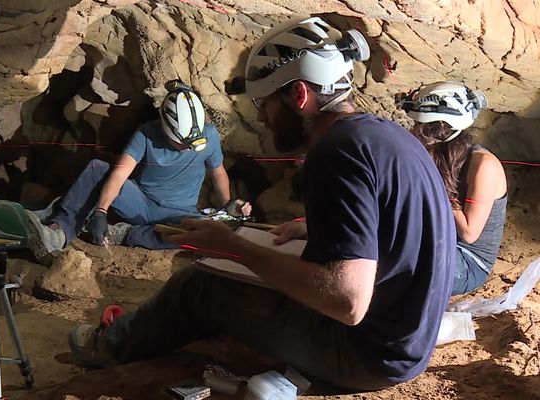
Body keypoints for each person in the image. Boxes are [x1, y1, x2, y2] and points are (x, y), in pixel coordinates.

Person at [68, 17, 454, 392]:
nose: (260, 117)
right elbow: (392, 233)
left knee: (202, 286)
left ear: (299, 95)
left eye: (265, 103)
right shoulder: (384, 136)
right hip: (406, 341)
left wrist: (234, 248)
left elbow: (346, 301)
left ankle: (111, 345)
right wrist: (310, 228)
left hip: (366, 353)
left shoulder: (336, 154)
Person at [26, 81, 251, 265]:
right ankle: (60, 230)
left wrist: (228, 205)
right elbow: (120, 174)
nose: (190, 148)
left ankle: (124, 234)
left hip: (181, 214)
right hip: (141, 204)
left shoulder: (209, 136)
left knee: (200, 232)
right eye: (184, 144)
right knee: (99, 168)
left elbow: (218, 173)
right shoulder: (146, 134)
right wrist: (101, 212)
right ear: (167, 129)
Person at [397, 81, 507, 295]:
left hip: (468, 261)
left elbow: (468, 233)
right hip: (439, 240)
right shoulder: (439, 155)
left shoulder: (484, 166)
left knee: (393, 260)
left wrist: (437, 184)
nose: (414, 131)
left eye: (419, 125)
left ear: (439, 127)